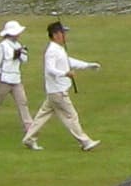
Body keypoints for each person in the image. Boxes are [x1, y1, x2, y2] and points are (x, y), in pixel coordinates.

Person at [27, 19, 99, 152]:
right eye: (63, 33)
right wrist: (65, 73)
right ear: (55, 35)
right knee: (71, 116)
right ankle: (85, 142)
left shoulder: (59, 49)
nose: (65, 36)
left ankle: (29, 139)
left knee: (42, 116)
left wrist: (88, 65)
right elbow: (50, 69)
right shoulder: (52, 51)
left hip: (55, 92)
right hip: (58, 91)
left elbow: (69, 61)